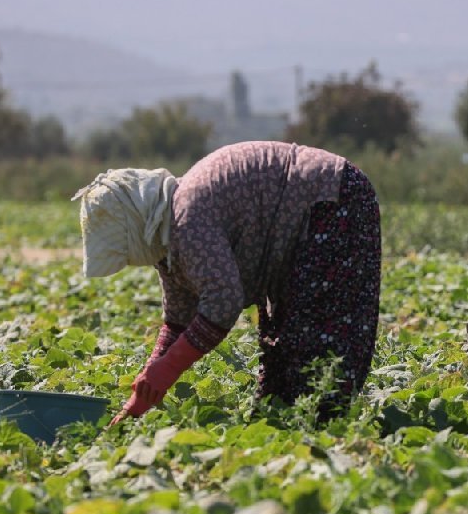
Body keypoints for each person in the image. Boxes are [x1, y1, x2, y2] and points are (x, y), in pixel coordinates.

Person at [73, 140, 382, 423]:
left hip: (333, 200)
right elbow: (179, 319)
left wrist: (166, 371)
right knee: (283, 361)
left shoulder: (188, 218)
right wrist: (144, 390)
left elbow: (223, 302)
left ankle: (325, 434)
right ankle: (296, 429)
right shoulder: (167, 242)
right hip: (309, 217)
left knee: (315, 341)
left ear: (135, 225)